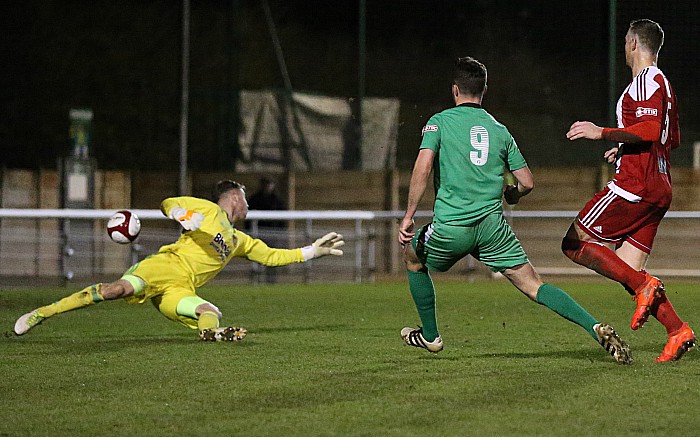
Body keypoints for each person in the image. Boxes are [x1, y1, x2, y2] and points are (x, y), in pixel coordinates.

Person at [398, 56, 631, 364]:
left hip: (452, 227)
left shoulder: (439, 122)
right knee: (535, 285)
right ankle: (594, 326)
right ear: (484, 91)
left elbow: (423, 166)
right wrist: (512, 194)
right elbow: (526, 181)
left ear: (455, 90)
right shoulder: (500, 130)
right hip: (492, 230)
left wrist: (409, 215)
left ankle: (430, 336)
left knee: (413, 257)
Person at [14, 180, 345, 341]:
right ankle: (42, 313)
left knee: (209, 312)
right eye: (244, 200)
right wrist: (182, 213)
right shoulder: (208, 210)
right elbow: (168, 202)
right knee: (117, 290)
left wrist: (312, 251)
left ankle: (211, 335)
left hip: (179, 288)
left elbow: (272, 257)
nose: (247, 206)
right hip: (162, 267)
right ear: (235, 198)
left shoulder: (239, 240)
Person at [563, 19, 694, 362]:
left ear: (634, 43)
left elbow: (650, 130)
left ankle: (644, 288)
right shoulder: (665, 84)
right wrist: (623, 147)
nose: (624, 48)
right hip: (660, 186)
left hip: (635, 185)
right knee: (627, 266)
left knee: (575, 242)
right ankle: (676, 329)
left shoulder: (646, 80)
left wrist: (601, 132)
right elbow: (672, 138)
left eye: (625, 42)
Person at [247, 176, 288, 283]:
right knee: (257, 257)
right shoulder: (255, 199)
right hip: (258, 234)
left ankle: (270, 281)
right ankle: (256, 280)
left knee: (271, 258)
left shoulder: (276, 200)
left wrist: (279, 232)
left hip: (272, 234)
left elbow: (282, 219)